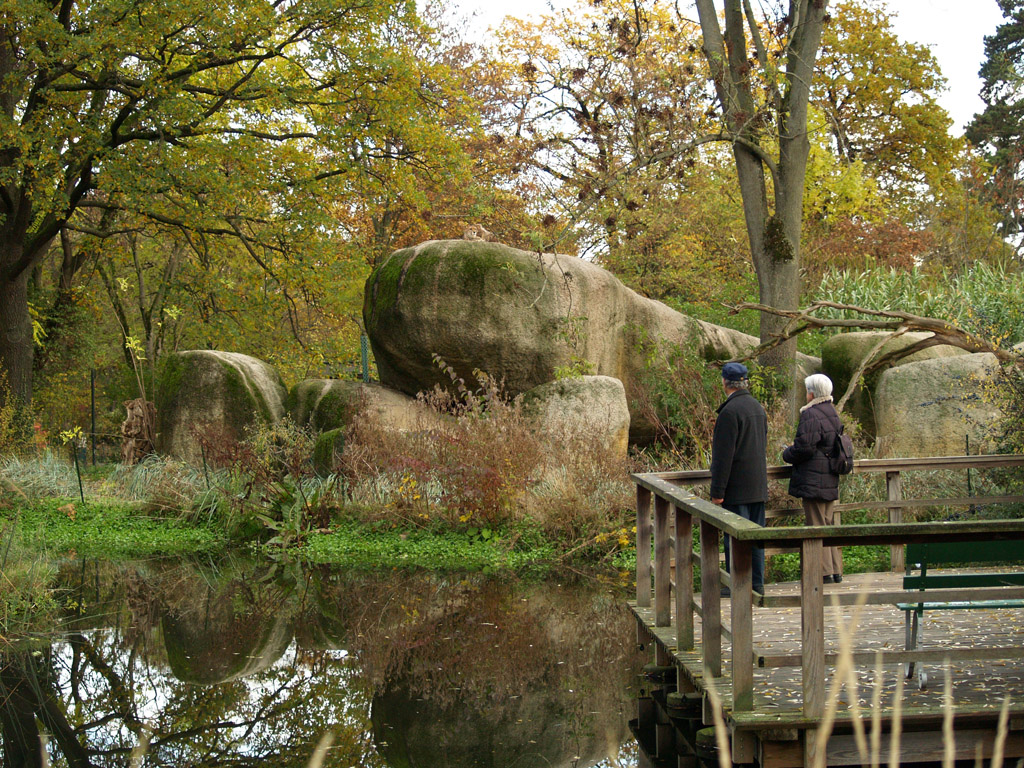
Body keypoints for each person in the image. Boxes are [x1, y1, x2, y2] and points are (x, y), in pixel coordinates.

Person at [710, 362, 768, 596]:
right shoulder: (758, 408)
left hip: (737, 486)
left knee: (734, 537)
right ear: (745, 382)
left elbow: (723, 457)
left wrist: (717, 492)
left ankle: (737, 584)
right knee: (756, 538)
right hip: (758, 484)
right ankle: (757, 583)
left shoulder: (729, 412)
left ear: (724, 382)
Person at [783, 373, 844, 584]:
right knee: (827, 524)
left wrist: (787, 453)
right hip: (830, 476)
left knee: (816, 525)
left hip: (813, 479)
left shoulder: (811, 414)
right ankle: (835, 570)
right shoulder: (832, 412)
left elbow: (805, 448)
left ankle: (823, 573)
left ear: (811, 393)